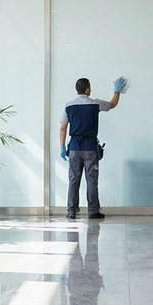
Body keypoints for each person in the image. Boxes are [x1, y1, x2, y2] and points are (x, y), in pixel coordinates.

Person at [60, 76, 127, 220]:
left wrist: (62, 147)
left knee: (73, 180)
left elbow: (63, 128)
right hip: (90, 148)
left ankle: (71, 211)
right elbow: (112, 104)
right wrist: (117, 91)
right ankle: (93, 211)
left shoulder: (68, 106)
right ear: (87, 90)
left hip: (74, 148)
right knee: (91, 180)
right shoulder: (95, 104)